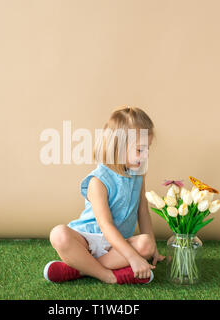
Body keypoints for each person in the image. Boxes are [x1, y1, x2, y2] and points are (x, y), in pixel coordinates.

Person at [44, 106, 166, 284]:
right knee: (59, 234)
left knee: (146, 244)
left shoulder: (138, 174)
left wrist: (153, 249)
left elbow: (143, 211)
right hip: (88, 240)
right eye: (140, 150)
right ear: (118, 147)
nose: (145, 155)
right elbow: (105, 225)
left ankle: (79, 270)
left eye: (148, 149)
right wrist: (132, 257)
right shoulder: (98, 181)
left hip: (116, 245)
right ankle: (107, 275)